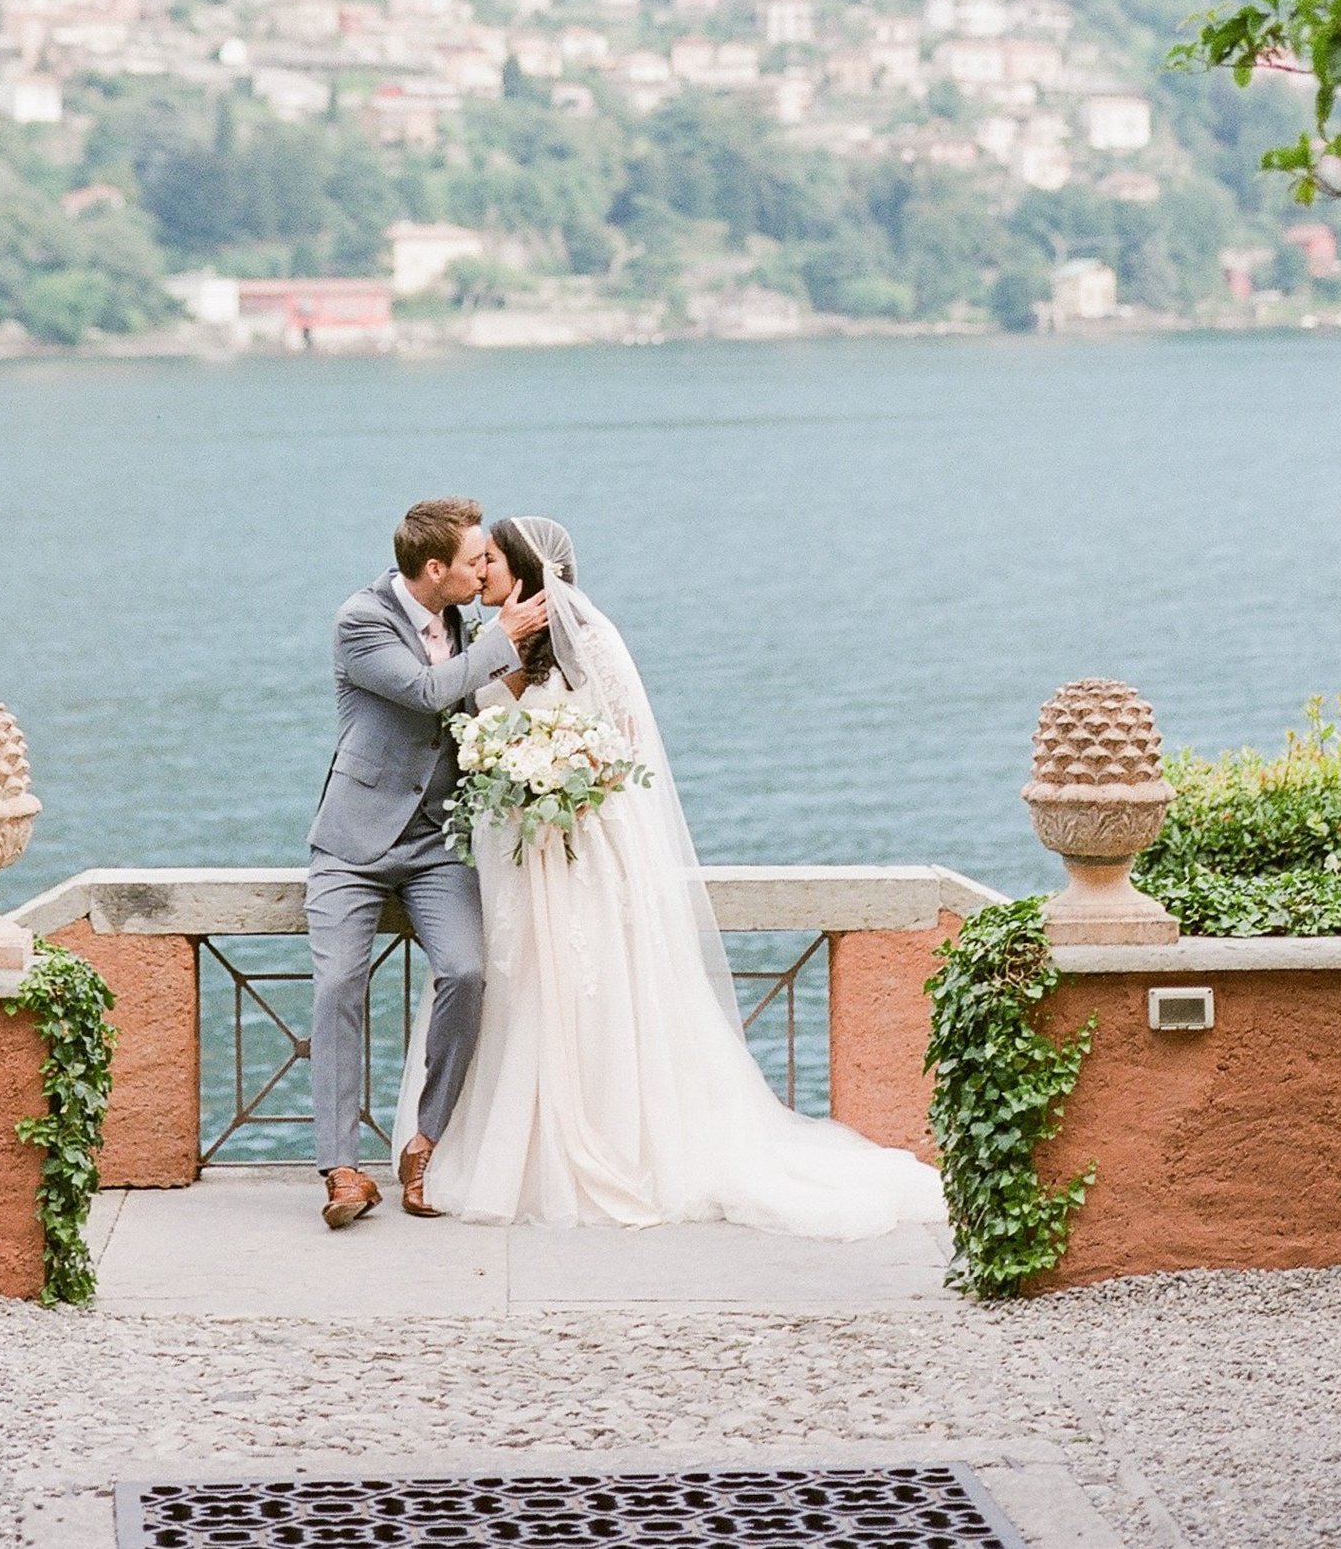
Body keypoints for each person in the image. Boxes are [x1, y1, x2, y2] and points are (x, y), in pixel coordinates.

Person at [403, 514, 945, 1235]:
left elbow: (624, 745)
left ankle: (607, 1142)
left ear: (527, 566)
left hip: (579, 850)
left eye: (492, 558)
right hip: (512, 858)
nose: (480, 570)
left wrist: (563, 770)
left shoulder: (589, 638)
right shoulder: (484, 639)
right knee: (518, 988)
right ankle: (512, 1145)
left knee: (589, 989)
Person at [305, 495, 551, 1229]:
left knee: (468, 972)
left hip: (439, 842)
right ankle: (342, 1170)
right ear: (434, 567)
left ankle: (425, 1142)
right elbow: (425, 691)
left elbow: (476, 704)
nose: (485, 568)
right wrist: (505, 636)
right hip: (352, 842)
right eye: (474, 560)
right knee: (339, 983)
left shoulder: (463, 619)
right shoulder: (362, 620)